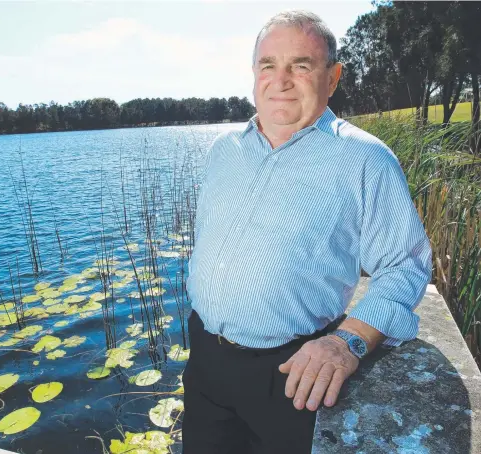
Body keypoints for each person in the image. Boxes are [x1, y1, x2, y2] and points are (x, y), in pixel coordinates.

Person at [181, 9, 433, 454]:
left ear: (332, 78)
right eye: (268, 65)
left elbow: (404, 266)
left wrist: (347, 341)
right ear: (254, 74)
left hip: (293, 375)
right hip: (205, 362)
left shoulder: (364, 160)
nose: (280, 81)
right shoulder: (224, 150)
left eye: (300, 65)